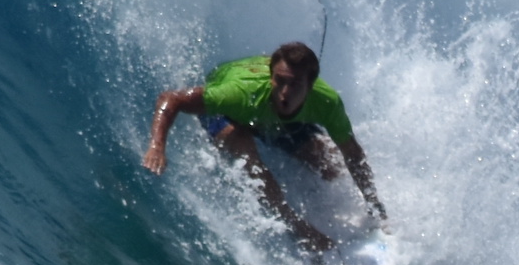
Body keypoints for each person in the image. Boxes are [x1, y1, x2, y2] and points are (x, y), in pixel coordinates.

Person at [143, 41, 385, 253]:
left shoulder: (326, 102)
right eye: (279, 82)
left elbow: (353, 153)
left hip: (275, 116)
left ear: (311, 86)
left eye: (295, 84)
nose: (284, 92)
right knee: (242, 145)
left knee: (328, 163)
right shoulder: (237, 94)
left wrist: (373, 202)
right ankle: (296, 226)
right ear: (271, 77)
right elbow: (171, 98)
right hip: (231, 112)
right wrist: (157, 146)